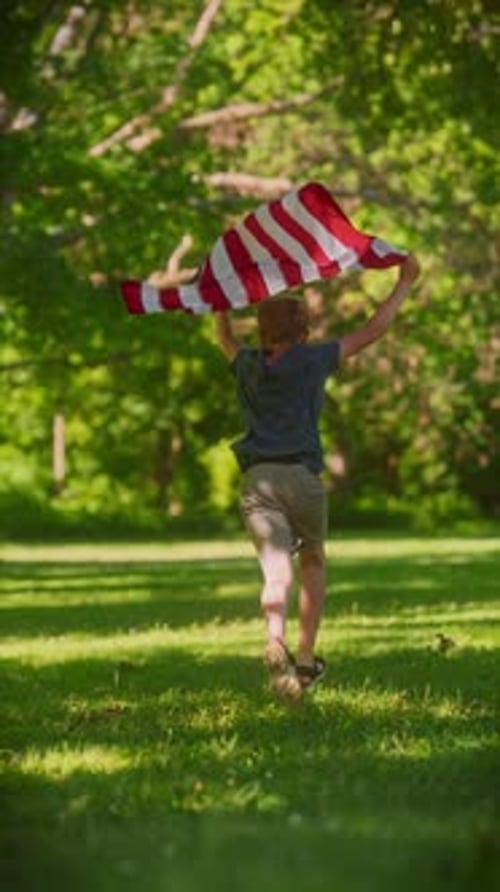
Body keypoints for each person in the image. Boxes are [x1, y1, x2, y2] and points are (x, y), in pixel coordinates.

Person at [214, 254, 420, 701]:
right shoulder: (313, 359)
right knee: (313, 561)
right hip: (302, 478)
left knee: (274, 572)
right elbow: (373, 330)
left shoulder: (247, 364)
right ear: (303, 331)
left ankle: (275, 637)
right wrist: (403, 283)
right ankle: (305, 659)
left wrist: (221, 301)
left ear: (262, 330)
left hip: (259, 481)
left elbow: (225, 337)